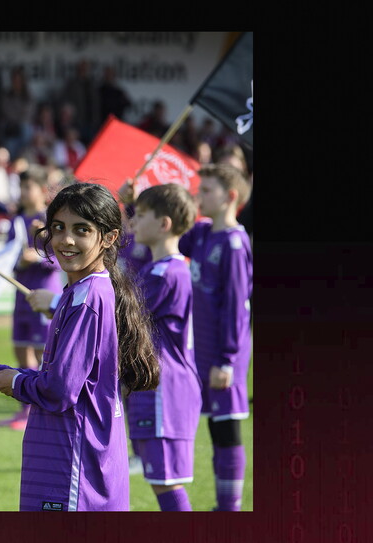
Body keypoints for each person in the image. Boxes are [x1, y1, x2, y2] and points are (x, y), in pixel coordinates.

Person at [0, 182, 160, 511]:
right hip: (67, 454)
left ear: (109, 238)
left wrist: (12, 382)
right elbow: (61, 377)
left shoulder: (88, 298)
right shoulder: (78, 291)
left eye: (81, 230)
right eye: (58, 228)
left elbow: (60, 390)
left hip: (73, 460)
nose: (65, 240)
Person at [178, 163, 252, 511]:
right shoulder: (203, 233)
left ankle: (230, 508)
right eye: (199, 189)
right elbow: (170, 235)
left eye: (207, 191)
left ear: (230, 197)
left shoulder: (235, 244)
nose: (199, 196)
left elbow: (237, 307)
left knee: (226, 430)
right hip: (202, 351)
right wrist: (133, 206)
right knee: (213, 430)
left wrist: (227, 359)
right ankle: (223, 506)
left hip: (226, 355)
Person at [126, 183, 202, 511]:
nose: (133, 222)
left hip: (166, 391)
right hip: (154, 386)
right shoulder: (159, 269)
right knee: (160, 481)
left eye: (141, 215)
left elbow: (121, 315)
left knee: (165, 481)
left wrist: (59, 302)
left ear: (164, 224)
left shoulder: (166, 273)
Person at [0, 166, 64, 430]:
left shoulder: (50, 219)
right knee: (21, 349)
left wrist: (37, 255)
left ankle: (43, 407)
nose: (24, 193)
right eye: (21, 187)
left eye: (28, 187)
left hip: (43, 295)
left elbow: (59, 259)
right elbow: (9, 255)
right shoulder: (16, 221)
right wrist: (18, 263)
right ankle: (24, 411)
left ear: (41, 190)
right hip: (21, 294)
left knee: (43, 353)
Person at [0, 65, 35, 161]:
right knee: (10, 143)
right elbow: (6, 110)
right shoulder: (7, 94)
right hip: (11, 127)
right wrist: (17, 119)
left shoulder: (27, 94)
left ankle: (22, 158)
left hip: (23, 126)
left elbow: (29, 111)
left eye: (19, 80)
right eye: (15, 80)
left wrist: (20, 119)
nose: (17, 83)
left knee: (26, 128)